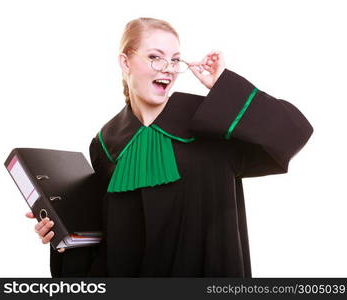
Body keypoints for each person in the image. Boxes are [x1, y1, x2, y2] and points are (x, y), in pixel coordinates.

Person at [26, 17, 313, 277]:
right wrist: (62, 237)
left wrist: (221, 87)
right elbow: (104, 241)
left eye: (175, 60)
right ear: (125, 62)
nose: (168, 69)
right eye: (155, 58)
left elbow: (291, 134)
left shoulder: (212, 120)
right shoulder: (105, 143)